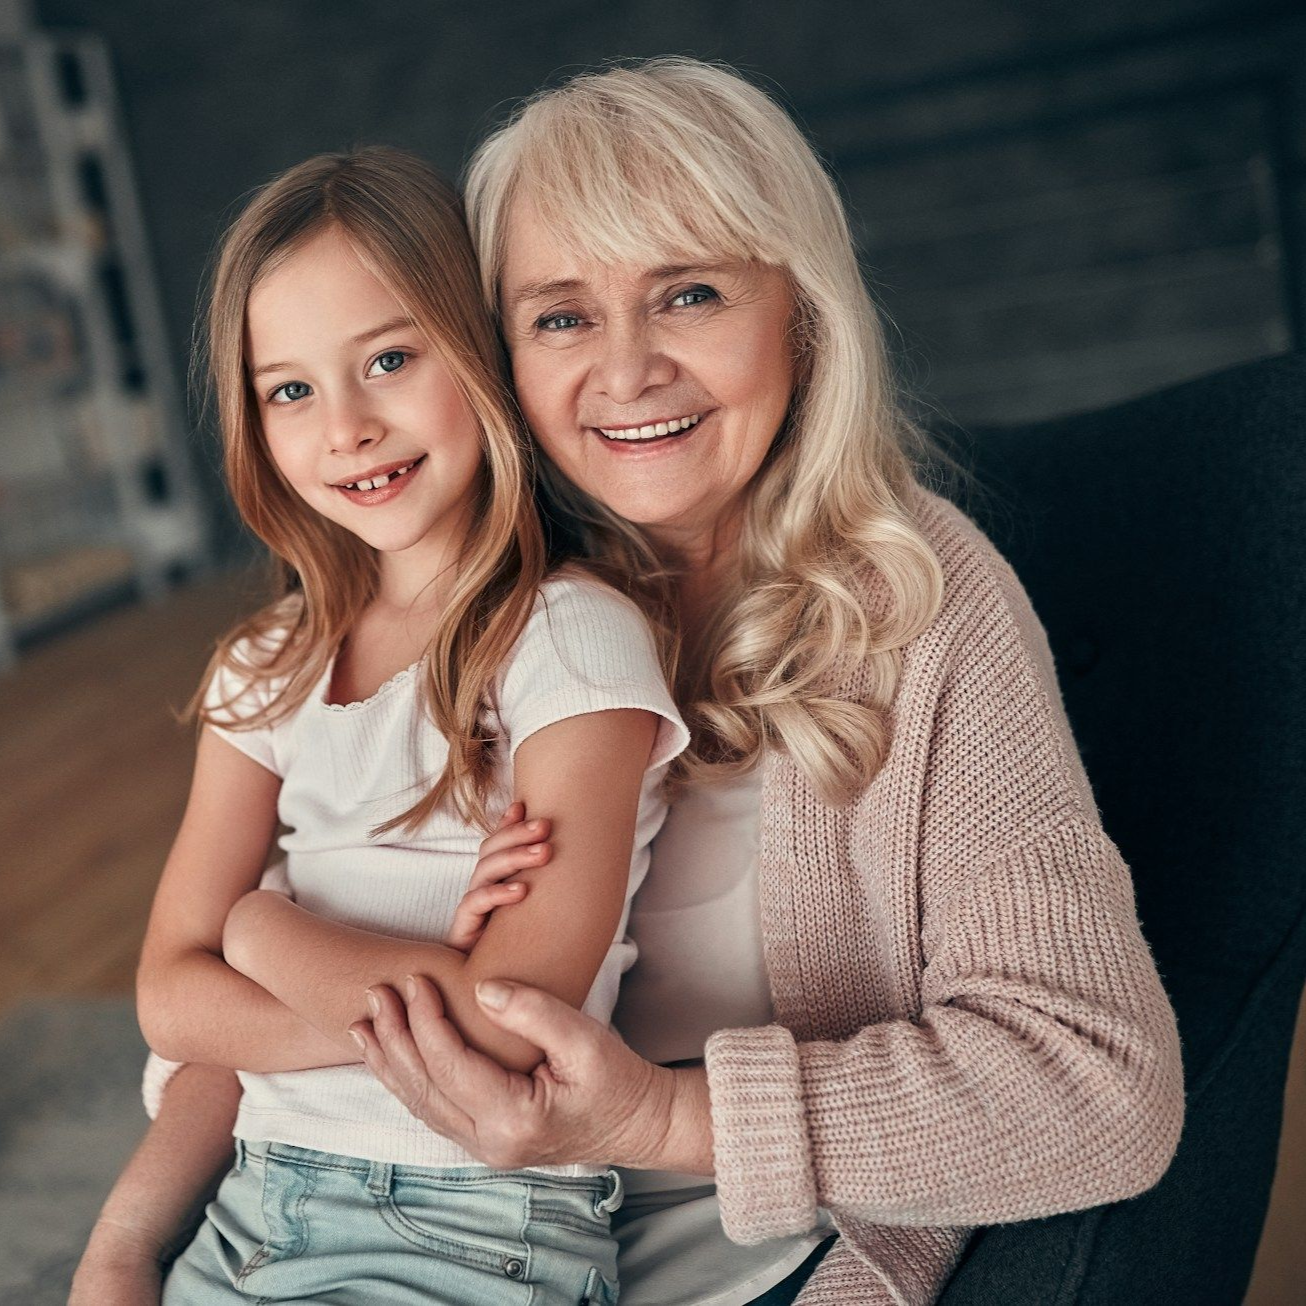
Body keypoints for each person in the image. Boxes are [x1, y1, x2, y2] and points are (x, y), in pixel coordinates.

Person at [74, 60, 1185, 1306]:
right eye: (560, 315)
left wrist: (654, 1119)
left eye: (690, 293)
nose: (625, 370)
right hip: (319, 1219)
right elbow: (238, 999)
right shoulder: (474, 604)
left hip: (721, 1269)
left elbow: (1097, 1094)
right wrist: (133, 1239)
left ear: (801, 316)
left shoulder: (917, 613)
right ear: (495, 353)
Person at [73, 145, 688, 1305]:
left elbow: (509, 1028)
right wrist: (420, 979)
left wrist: (262, 928)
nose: (346, 427)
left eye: (391, 360)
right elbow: (166, 996)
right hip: (251, 1208)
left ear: (484, 353)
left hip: (477, 1220)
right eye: (290, 389)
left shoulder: (567, 638)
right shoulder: (264, 668)